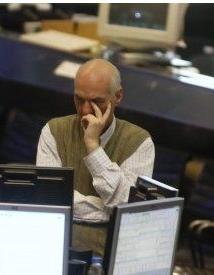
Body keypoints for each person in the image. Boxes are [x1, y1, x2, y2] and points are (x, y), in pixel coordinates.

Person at [36, 59, 155, 255]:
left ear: (117, 96)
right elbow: (50, 200)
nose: (85, 110)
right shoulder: (53, 131)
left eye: (97, 101)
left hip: (109, 258)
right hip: (55, 249)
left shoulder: (139, 141)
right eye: (79, 99)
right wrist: (104, 211)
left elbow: (127, 210)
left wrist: (93, 147)